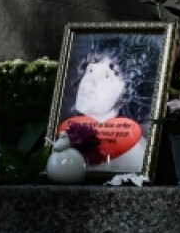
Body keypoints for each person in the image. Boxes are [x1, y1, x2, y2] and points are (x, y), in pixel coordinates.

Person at [57, 35, 161, 173]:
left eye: (107, 76)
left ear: (129, 90)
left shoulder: (136, 155)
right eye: (90, 70)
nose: (90, 82)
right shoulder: (66, 136)